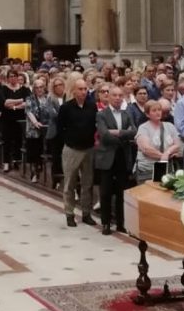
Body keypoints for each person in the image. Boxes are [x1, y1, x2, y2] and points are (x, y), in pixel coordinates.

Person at [55, 77, 98, 228]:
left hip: (88, 148)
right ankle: (69, 213)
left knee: (87, 183)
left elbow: (95, 126)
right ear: (73, 90)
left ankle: (86, 213)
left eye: (85, 89)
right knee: (70, 183)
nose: (83, 92)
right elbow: (60, 128)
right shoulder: (66, 107)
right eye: (80, 89)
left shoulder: (92, 106)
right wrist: (68, 140)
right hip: (72, 149)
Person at [95, 84, 136, 234]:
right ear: (109, 97)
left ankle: (121, 223)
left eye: (120, 96)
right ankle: (106, 223)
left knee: (121, 192)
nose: (118, 98)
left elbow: (134, 132)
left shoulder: (126, 114)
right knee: (105, 191)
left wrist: (117, 132)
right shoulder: (102, 114)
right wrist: (123, 136)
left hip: (122, 156)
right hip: (107, 156)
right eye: (114, 95)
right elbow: (104, 135)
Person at [134, 98, 181, 183]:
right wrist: (162, 156)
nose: (158, 112)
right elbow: (146, 149)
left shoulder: (169, 126)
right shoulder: (143, 128)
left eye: (159, 110)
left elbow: (177, 145)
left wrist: (167, 153)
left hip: (167, 168)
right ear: (148, 114)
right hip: (148, 169)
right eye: (154, 110)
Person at [0, 72, 30, 172]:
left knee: (18, 140)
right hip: (7, 119)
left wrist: (13, 106)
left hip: (20, 118)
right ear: (8, 78)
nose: (13, 78)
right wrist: (20, 100)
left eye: (14, 76)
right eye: (11, 77)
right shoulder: (4, 89)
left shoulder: (24, 89)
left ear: (17, 78)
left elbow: (27, 103)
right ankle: (6, 163)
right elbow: (5, 103)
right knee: (7, 140)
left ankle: (17, 161)